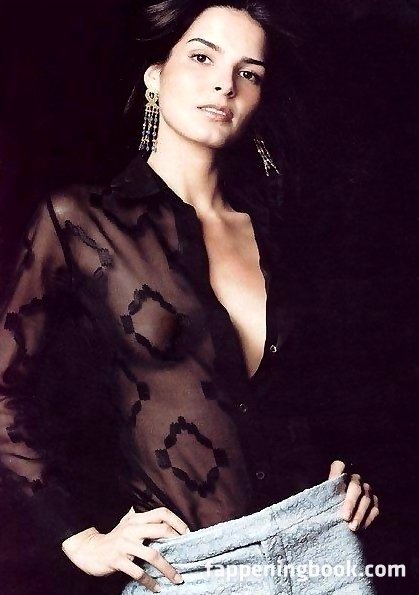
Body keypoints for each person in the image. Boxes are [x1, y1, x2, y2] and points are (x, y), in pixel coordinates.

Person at [0, 2, 380, 594]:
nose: (225, 84)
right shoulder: (81, 221)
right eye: (202, 58)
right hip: (189, 567)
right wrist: (77, 537)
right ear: (156, 75)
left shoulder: (281, 228)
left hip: (321, 545)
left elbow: (335, 385)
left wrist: (354, 476)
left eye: (248, 72)